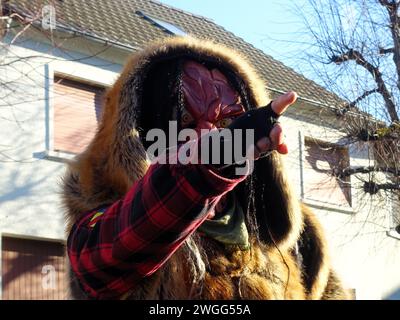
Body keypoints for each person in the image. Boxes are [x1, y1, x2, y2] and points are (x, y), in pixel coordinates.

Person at [64, 36, 349, 300]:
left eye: (227, 123)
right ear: (142, 137)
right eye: (185, 124)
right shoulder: (99, 229)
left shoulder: (297, 239)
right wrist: (201, 169)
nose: (208, 136)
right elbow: (117, 248)